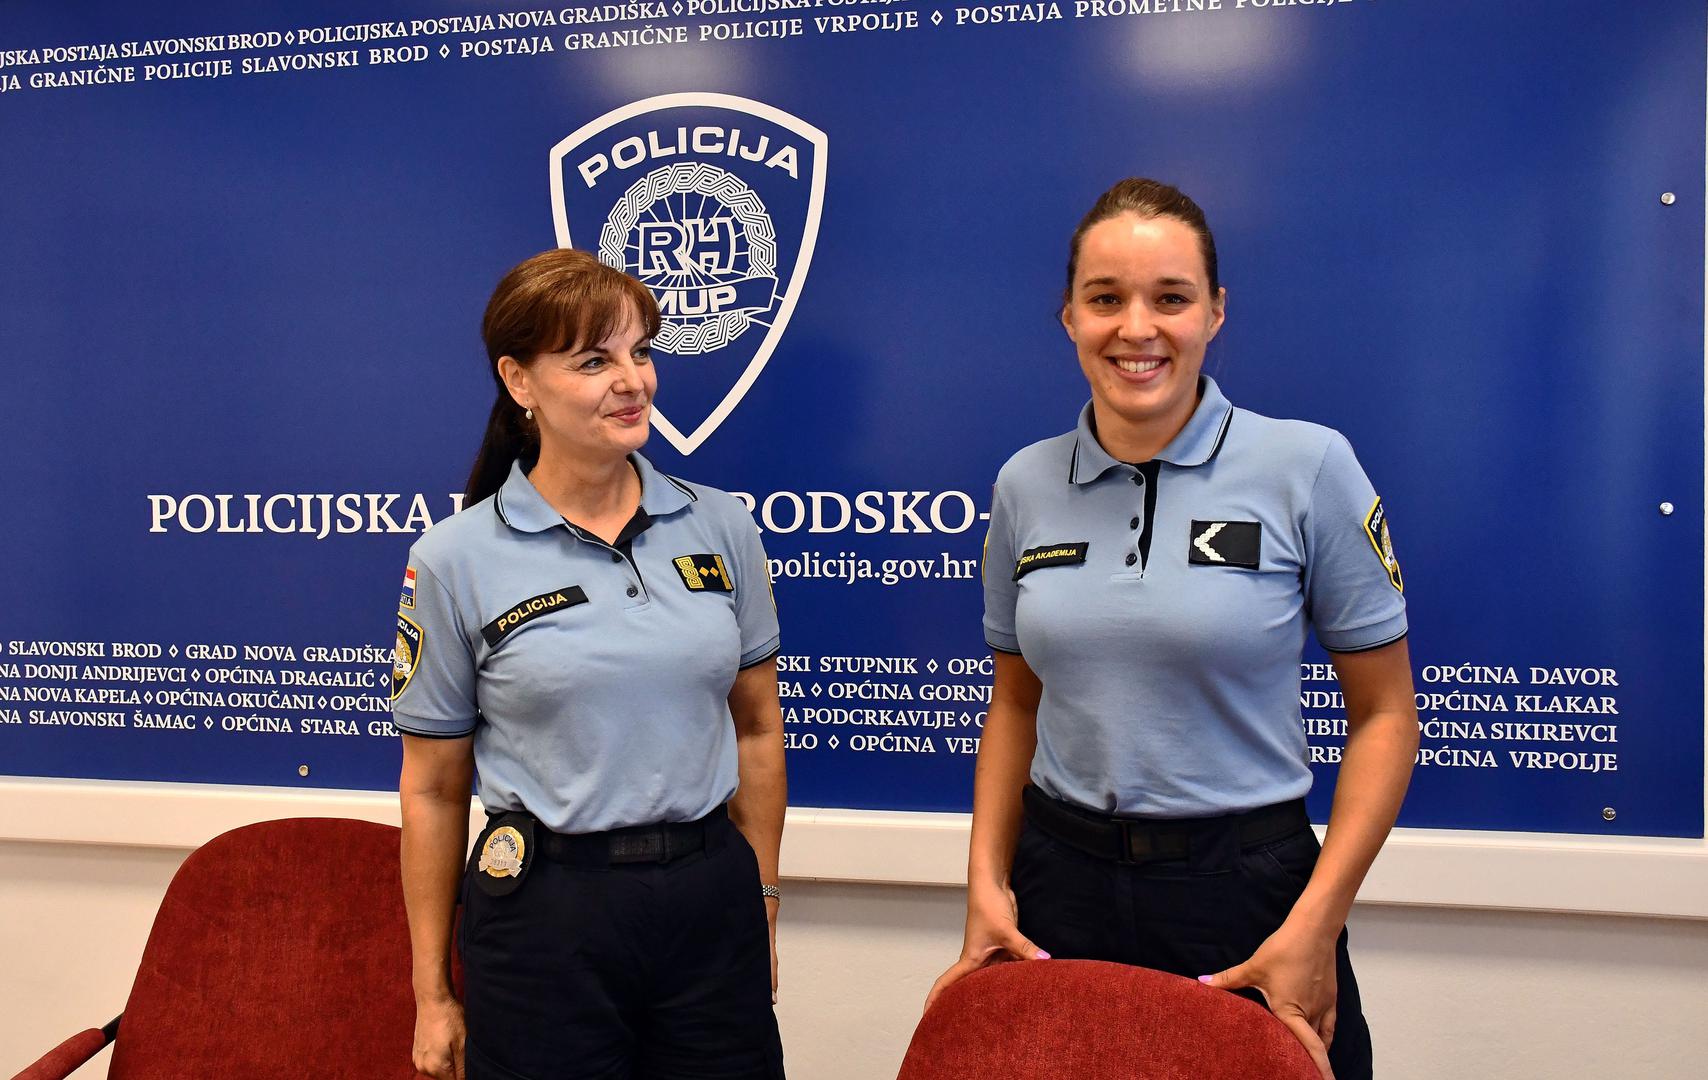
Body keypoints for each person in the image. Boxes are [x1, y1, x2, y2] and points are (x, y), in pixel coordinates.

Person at [927, 179, 1418, 1080]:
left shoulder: (1307, 465)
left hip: (1247, 892)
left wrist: (1313, 924)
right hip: (1058, 886)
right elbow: (1013, 706)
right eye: (1106, 299)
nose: (1137, 328)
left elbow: (1386, 717)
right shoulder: (1025, 484)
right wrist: (985, 890)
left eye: (1171, 298)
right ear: (1069, 316)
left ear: (1216, 313)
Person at [394, 249, 787, 1080]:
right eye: (594, 359)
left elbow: (756, 731)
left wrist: (763, 906)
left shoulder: (720, 526)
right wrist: (432, 994)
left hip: (708, 902)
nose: (633, 380)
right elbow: (432, 788)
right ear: (520, 381)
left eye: (641, 351)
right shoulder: (454, 559)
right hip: (546, 916)